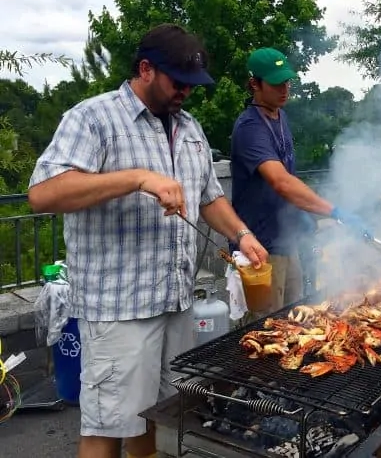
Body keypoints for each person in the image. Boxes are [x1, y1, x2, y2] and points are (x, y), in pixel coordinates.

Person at [27, 24, 268, 458]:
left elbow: (209, 197)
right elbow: (43, 193)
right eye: (179, 82)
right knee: (106, 425)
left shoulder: (189, 127)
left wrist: (242, 235)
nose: (187, 93)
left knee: (159, 417)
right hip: (119, 309)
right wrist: (138, 178)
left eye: (193, 85)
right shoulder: (94, 117)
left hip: (176, 302)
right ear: (145, 70)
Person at [229, 47, 370, 314]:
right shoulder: (250, 128)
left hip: (286, 239)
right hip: (260, 249)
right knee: (266, 329)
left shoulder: (281, 117)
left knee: (296, 318)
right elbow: (281, 181)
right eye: (275, 83)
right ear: (254, 84)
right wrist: (335, 212)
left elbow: (289, 178)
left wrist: (301, 215)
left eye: (287, 81)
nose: (284, 89)